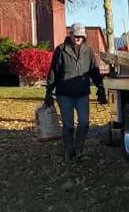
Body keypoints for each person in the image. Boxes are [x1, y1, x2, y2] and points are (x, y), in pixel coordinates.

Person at [45, 23, 107, 161]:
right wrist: (48, 92)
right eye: (76, 35)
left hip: (82, 93)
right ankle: (68, 149)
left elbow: (94, 70)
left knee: (84, 122)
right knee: (68, 125)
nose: (78, 38)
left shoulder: (88, 50)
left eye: (81, 36)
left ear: (84, 36)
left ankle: (79, 148)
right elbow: (53, 72)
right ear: (70, 34)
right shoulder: (61, 50)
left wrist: (100, 87)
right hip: (64, 93)